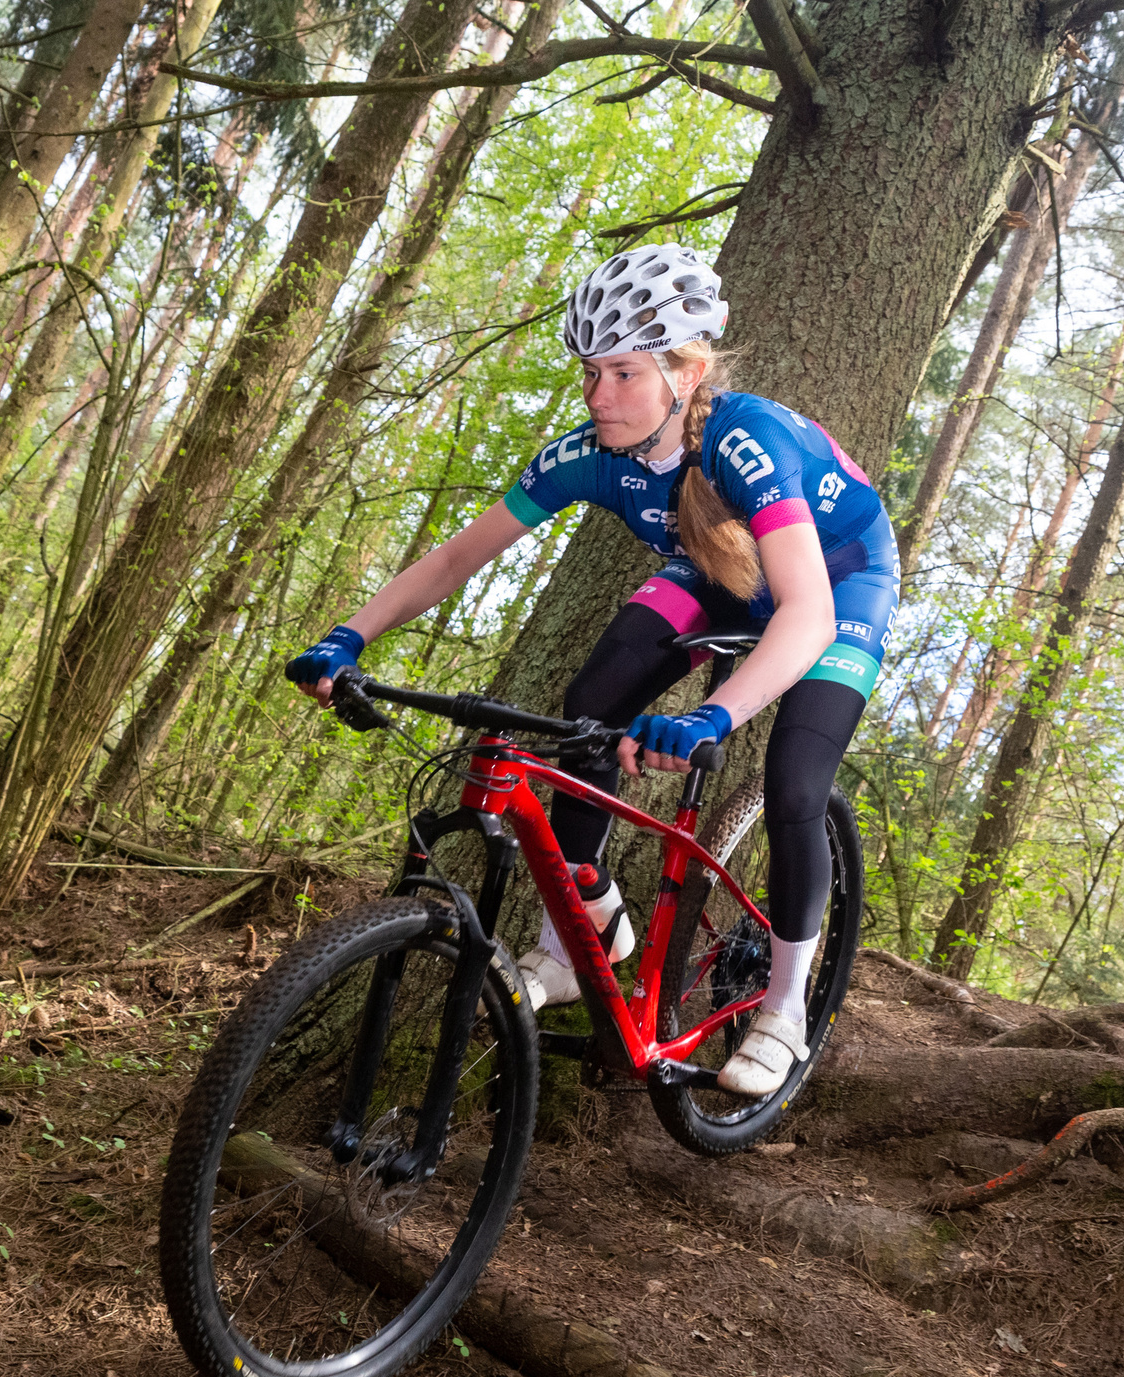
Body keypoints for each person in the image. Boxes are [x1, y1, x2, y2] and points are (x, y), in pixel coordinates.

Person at [283, 244, 898, 1098]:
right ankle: (586, 931)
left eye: (622, 373)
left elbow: (808, 616)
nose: (596, 395)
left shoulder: (747, 441)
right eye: (590, 372)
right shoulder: (592, 454)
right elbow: (457, 558)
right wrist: (348, 636)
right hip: (715, 567)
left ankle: (786, 1008)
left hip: (838, 581)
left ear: (685, 375)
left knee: (795, 784)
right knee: (590, 707)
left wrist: (711, 716)